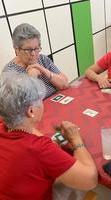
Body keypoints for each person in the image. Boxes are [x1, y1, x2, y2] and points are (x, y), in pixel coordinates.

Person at [0, 72, 97, 200]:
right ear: (31, 111)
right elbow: (90, 180)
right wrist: (76, 139)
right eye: (40, 100)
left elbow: (30, 135)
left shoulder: (4, 124)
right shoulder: (38, 148)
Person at [3, 23, 68, 98]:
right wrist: (31, 78)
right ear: (17, 50)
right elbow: (20, 104)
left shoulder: (42, 59)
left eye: (36, 48)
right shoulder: (10, 72)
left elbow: (65, 83)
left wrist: (44, 71)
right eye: (28, 49)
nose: (33, 53)